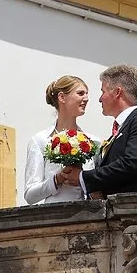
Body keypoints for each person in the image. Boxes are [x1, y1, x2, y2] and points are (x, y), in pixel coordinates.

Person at [62, 64, 137, 198]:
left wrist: (83, 178)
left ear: (117, 92)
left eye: (103, 91)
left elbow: (130, 163)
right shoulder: (120, 130)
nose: (100, 98)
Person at [24, 75, 96, 204]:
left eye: (86, 94)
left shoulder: (92, 141)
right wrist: (57, 180)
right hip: (55, 215)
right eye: (80, 93)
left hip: (87, 214)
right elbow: (30, 195)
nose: (86, 98)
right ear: (62, 97)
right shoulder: (41, 140)